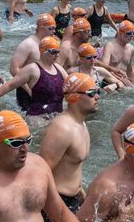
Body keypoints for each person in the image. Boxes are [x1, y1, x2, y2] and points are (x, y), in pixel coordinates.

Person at [39, 73, 99, 213]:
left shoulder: (81, 124)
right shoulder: (62, 129)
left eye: (97, 92)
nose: (97, 96)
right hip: (56, 203)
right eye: (91, 93)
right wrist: (57, 209)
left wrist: (83, 198)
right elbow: (41, 172)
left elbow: (74, 168)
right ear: (74, 96)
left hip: (74, 199)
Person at [0, 36, 67, 117]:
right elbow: (10, 85)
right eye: (54, 52)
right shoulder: (32, 69)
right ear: (43, 51)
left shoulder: (59, 68)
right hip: (37, 119)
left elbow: (72, 86)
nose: (57, 55)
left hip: (57, 117)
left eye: (58, 52)